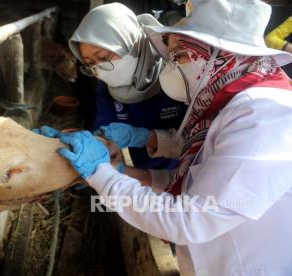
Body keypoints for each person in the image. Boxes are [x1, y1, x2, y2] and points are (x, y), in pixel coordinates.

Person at [52, 0, 292, 274]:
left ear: (215, 56)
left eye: (178, 56)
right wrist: (131, 173)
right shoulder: (226, 102)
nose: (171, 66)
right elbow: (198, 182)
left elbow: (190, 219)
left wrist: (102, 174)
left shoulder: (264, 117)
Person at [40, 3, 187, 178]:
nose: (100, 69)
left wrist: (143, 137)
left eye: (103, 57)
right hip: (143, 174)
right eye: (90, 63)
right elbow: (104, 135)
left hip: (191, 169)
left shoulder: (179, 75)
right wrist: (67, 145)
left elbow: (200, 139)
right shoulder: (107, 86)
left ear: (129, 42)